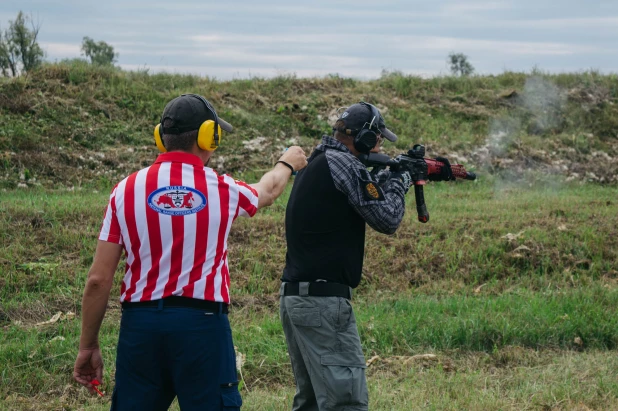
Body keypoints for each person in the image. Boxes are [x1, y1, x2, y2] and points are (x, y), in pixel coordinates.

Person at [73, 93, 307, 411]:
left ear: (162, 137)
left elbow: (98, 280)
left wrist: (88, 345)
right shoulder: (222, 189)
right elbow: (267, 190)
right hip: (202, 326)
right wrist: (286, 164)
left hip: (141, 328)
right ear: (209, 136)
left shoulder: (124, 191)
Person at [279, 102, 453, 410]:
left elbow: (364, 194)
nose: (379, 145)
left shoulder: (320, 161)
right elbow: (387, 218)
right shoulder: (345, 165)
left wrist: (388, 174)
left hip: (298, 298)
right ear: (362, 139)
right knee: (346, 401)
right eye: (378, 139)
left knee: (312, 404)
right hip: (322, 304)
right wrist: (401, 181)